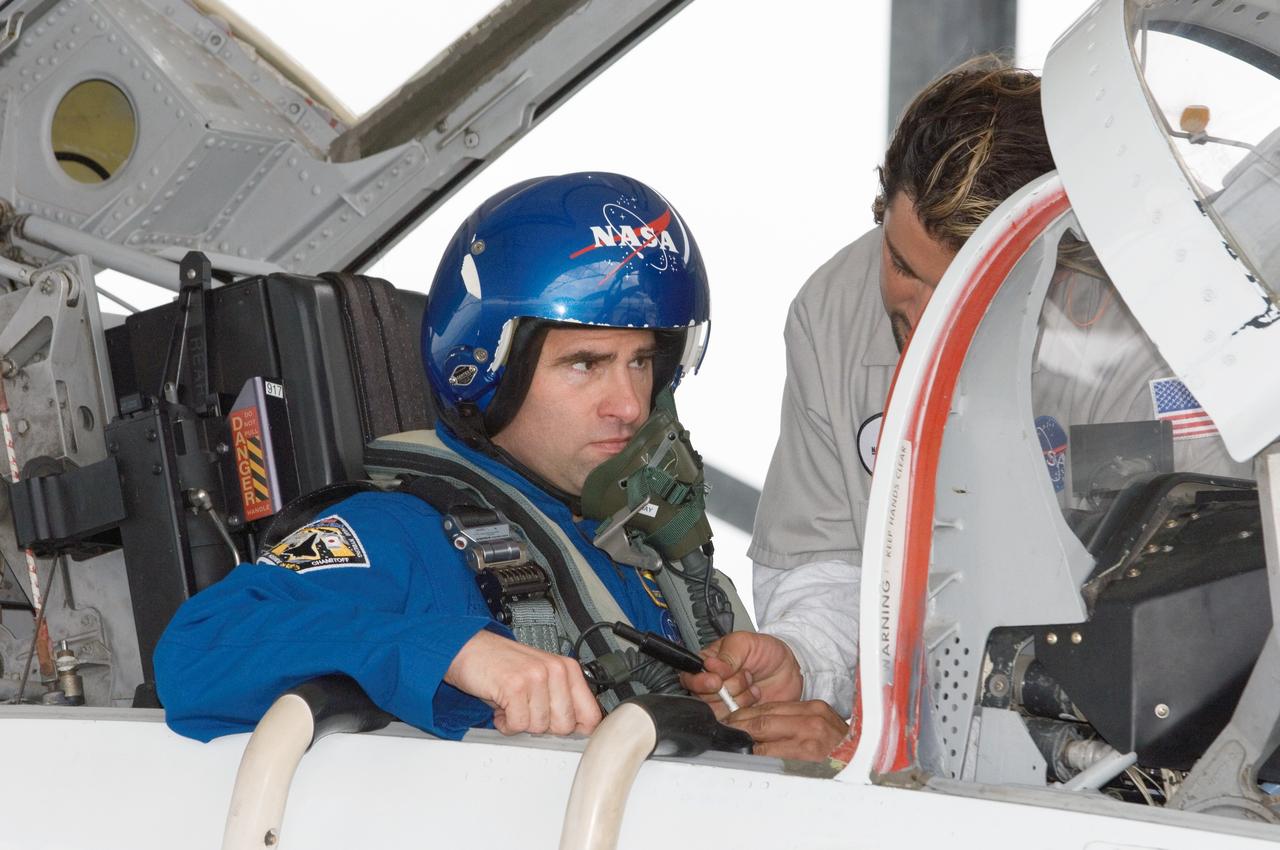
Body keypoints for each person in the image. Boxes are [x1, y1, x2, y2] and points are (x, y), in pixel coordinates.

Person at [154, 171, 745, 741]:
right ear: (491, 367)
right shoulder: (400, 534)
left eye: (640, 362)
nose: (629, 406)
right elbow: (197, 652)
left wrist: (763, 726)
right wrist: (454, 652)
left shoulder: (644, 554)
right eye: (585, 364)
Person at [681, 61, 1058, 759]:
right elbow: (827, 561)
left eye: (961, 296)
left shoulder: (1151, 322)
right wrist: (805, 658)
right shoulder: (833, 311)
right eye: (904, 268)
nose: (921, 320)